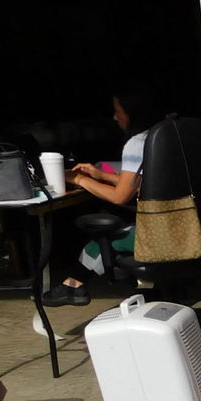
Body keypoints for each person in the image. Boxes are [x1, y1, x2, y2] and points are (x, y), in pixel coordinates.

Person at [42, 85, 160, 306]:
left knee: (105, 239)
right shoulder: (165, 136)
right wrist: (101, 175)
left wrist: (79, 180)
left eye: (118, 110)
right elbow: (146, 184)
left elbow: (120, 197)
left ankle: (74, 285)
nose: (115, 117)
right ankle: (73, 284)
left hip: (159, 236)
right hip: (187, 225)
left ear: (132, 112)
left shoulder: (138, 143)